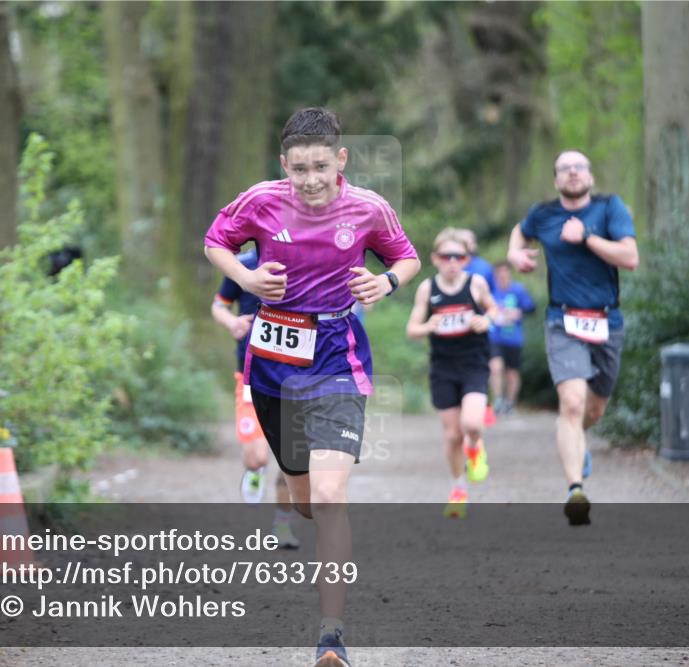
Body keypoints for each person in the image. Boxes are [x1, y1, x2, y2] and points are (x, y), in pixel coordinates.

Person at [204, 108, 420, 667]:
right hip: (273, 365)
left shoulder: (368, 208)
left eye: (321, 166)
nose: (310, 179)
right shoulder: (260, 200)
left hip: (336, 360)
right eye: (299, 168)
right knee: (303, 501)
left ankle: (332, 636)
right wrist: (246, 279)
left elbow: (407, 256)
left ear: (340, 160)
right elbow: (215, 241)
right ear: (284, 164)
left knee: (328, 497)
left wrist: (386, 281)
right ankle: (304, 502)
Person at [506, 149, 639, 526]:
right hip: (561, 321)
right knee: (572, 403)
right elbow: (521, 230)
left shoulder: (610, 208)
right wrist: (515, 252)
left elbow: (630, 257)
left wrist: (587, 238)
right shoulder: (544, 213)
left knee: (592, 411)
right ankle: (575, 489)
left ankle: (576, 442)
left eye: (579, 167)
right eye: (564, 168)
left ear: (591, 177)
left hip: (606, 321)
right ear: (556, 180)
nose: (573, 173)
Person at [406, 228, 499, 519]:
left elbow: (494, 310)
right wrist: (428, 326)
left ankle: (476, 446)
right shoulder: (427, 288)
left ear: (466, 259)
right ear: (435, 258)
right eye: (445, 256)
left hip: (473, 362)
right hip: (443, 367)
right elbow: (412, 330)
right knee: (452, 434)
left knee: (471, 424)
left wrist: (486, 321)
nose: (451, 262)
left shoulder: (476, 284)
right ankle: (458, 488)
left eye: (458, 256)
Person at [211, 247, 300, 549]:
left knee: (291, 461)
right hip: (250, 374)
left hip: (294, 377)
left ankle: (283, 526)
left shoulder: (305, 260)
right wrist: (231, 322)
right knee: (257, 456)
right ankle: (255, 470)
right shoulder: (242, 265)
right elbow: (219, 305)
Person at [488, 261, 536, 415]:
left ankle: (510, 402)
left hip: (513, 338)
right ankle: (498, 400)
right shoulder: (490, 290)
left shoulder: (518, 290)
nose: (502, 275)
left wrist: (518, 312)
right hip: (494, 337)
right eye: (499, 272)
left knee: (512, 373)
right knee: (495, 368)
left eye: (505, 272)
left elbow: (531, 308)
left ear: (509, 273)